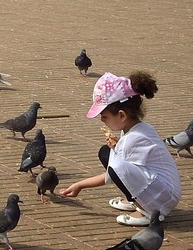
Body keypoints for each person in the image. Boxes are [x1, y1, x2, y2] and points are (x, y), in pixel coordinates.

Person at [57, 71, 180, 228]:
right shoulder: (137, 129)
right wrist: (115, 149)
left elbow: (115, 172)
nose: (101, 120)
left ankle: (147, 212)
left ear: (122, 116)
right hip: (163, 189)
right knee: (107, 154)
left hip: (163, 197)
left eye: (104, 116)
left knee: (115, 164)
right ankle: (136, 200)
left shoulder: (133, 138)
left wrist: (80, 185)